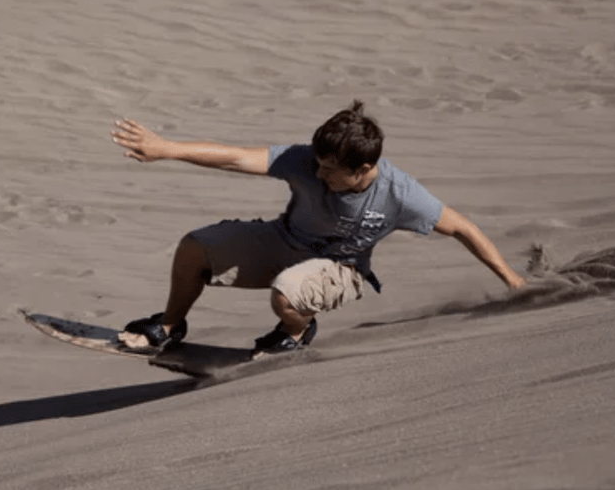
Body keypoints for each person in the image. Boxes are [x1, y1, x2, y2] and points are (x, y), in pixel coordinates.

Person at [112, 100, 526, 354]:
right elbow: (236, 157)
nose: (319, 172)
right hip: (283, 241)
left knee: (287, 295)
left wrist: (512, 280)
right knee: (194, 247)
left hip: (340, 268)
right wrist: (166, 149)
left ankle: (295, 333)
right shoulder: (307, 158)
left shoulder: (401, 194)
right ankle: (169, 325)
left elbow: (463, 228)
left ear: (363, 169)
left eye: (330, 170)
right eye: (318, 163)